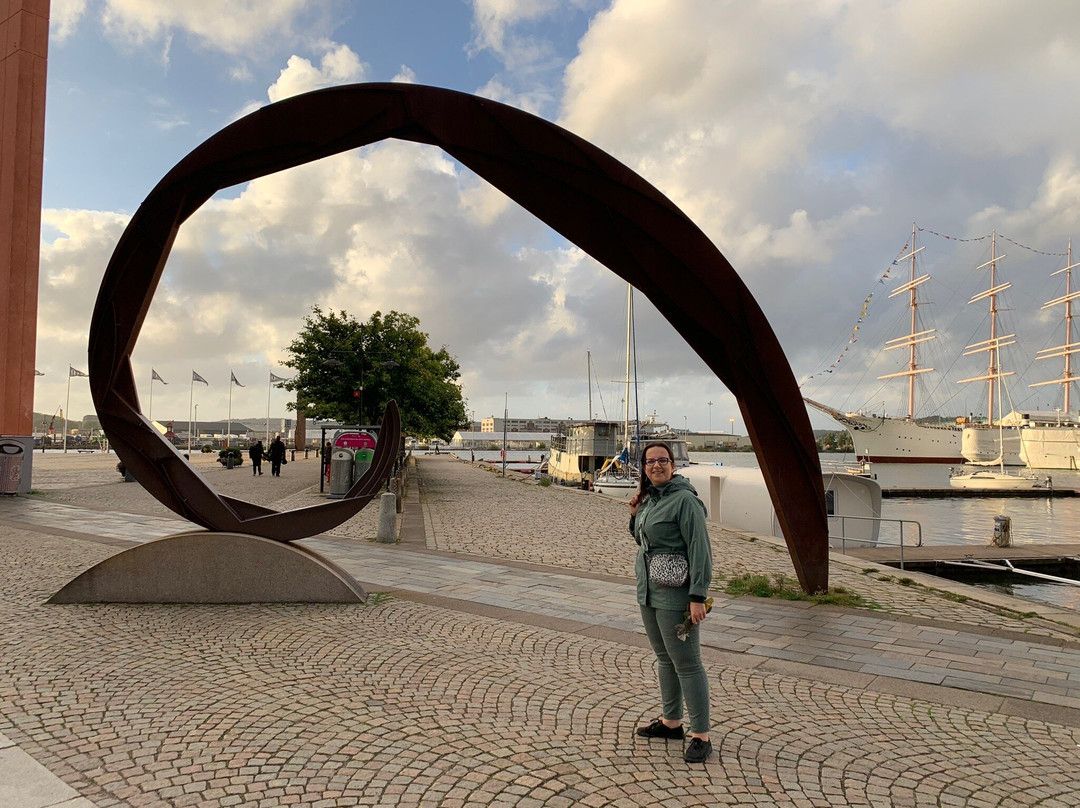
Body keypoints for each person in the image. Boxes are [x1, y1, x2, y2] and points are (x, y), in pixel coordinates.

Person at [628, 441, 713, 763]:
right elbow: (643, 539)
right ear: (644, 467)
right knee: (665, 659)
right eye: (650, 462)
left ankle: (701, 735)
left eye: (662, 460)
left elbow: (700, 550)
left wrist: (697, 597)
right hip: (648, 591)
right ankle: (671, 722)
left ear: (673, 465)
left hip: (677, 594)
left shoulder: (684, 501)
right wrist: (635, 514)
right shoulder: (651, 497)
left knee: (688, 664)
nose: (656, 466)